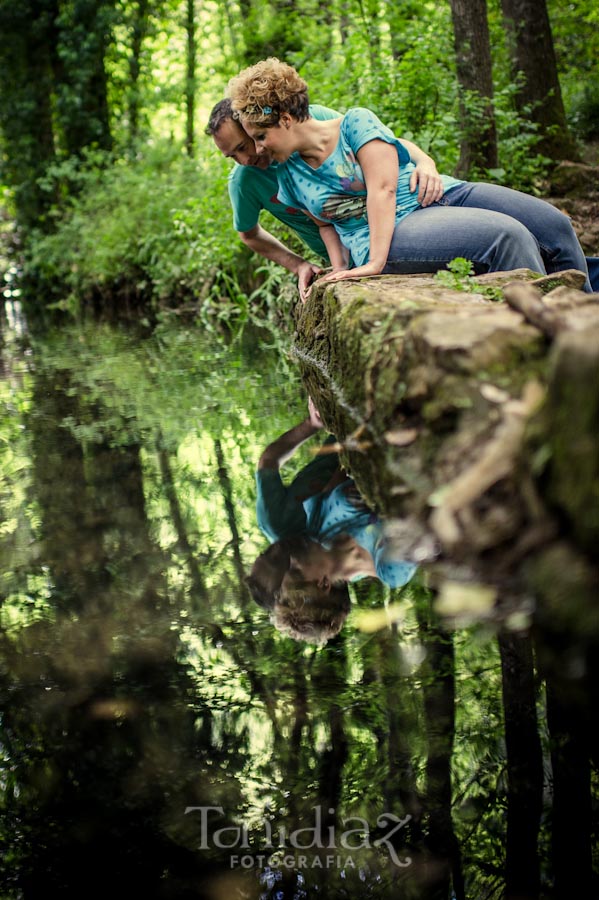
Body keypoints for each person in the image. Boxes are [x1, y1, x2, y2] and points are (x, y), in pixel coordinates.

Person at [227, 58, 595, 294]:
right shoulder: (285, 172)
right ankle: (545, 347)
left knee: (555, 226)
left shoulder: (355, 121)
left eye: (260, 137)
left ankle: (583, 324)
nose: (257, 150)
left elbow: (384, 184)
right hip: (387, 231)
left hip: (439, 193)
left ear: (287, 119)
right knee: (505, 236)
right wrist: (357, 267)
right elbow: (325, 224)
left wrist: (426, 162)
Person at [206, 98, 450, 299]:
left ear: (253, 125)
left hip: (392, 217)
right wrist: (298, 264)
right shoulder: (245, 181)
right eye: (232, 156)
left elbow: (373, 142)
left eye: (242, 146)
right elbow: (249, 234)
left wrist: (425, 161)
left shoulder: (308, 120)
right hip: (351, 252)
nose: (245, 159)